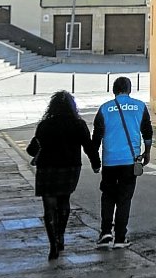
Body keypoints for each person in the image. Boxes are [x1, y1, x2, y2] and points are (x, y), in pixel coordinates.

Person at [26, 91, 100, 261]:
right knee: (64, 201)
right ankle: (61, 237)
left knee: (49, 207)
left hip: (47, 169)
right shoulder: (78, 124)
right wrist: (96, 163)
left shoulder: (44, 125)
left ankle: (53, 244)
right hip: (70, 168)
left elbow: (31, 150)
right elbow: (89, 147)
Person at [91, 76, 153, 249]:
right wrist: (147, 153)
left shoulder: (104, 109)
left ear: (114, 90)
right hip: (130, 161)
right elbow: (147, 132)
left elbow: (96, 137)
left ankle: (105, 232)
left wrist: (95, 160)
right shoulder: (140, 106)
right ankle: (120, 238)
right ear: (129, 89)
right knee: (124, 199)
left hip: (110, 161)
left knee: (108, 196)